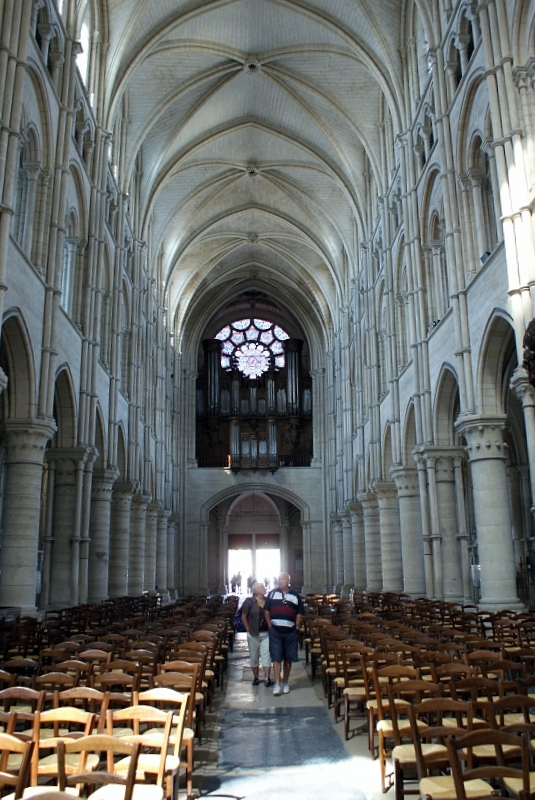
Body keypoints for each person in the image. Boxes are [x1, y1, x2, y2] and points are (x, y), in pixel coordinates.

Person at [264, 571, 304, 696]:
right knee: (276, 657)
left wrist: (296, 626)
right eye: (279, 579)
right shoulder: (272, 594)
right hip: (275, 631)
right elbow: (266, 610)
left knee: (288, 658)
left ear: (288, 581)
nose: (280, 581)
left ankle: (285, 682)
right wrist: (270, 626)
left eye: (282, 579)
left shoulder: (295, 595)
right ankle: (277, 683)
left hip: (290, 631)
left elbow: (299, 612)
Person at [241, 581, 273, 687]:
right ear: (256, 590)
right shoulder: (249, 602)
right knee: (254, 656)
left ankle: (267, 678)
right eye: (262, 587)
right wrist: (248, 629)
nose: (264, 589)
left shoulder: (268, 601)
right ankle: (256, 677)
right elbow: (243, 616)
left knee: (266, 655)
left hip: (266, 633)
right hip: (253, 633)